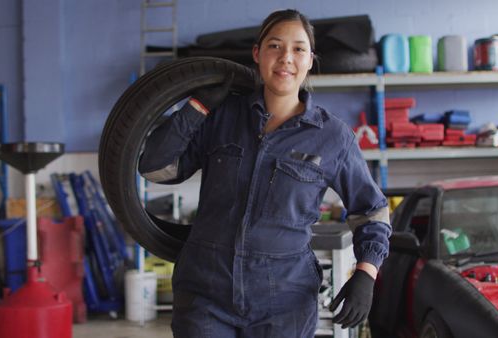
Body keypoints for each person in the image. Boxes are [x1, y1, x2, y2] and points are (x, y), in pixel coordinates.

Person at [140, 9, 391, 338]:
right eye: (275, 46)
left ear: (311, 60)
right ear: (257, 54)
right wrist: (196, 108)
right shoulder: (222, 116)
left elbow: (371, 210)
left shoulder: (333, 136)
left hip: (284, 301)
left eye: (299, 49)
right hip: (205, 293)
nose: (286, 57)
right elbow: (155, 168)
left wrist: (366, 273)